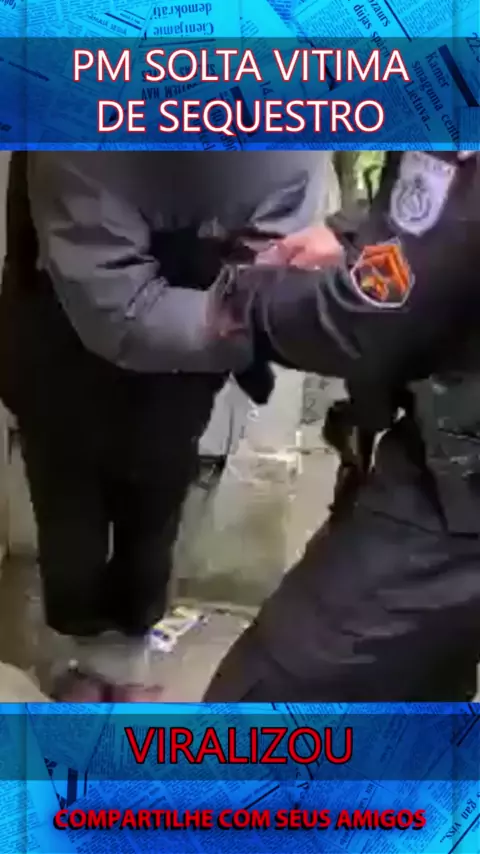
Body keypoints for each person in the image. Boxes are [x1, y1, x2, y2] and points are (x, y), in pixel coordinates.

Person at [0, 150, 330, 701]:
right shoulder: (78, 138)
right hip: (61, 333)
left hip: (180, 356)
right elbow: (118, 307)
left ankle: (128, 648)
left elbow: (273, 256)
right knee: (70, 514)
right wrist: (251, 318)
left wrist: (270, 297)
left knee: (154, 500)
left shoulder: (288, 134)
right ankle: (77, 650)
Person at [204, 150, 480, 702]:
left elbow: (368, 317)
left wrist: (240, 300)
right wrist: (361, 232)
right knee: (420, 683)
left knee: (270, 697)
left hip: (459, 486)